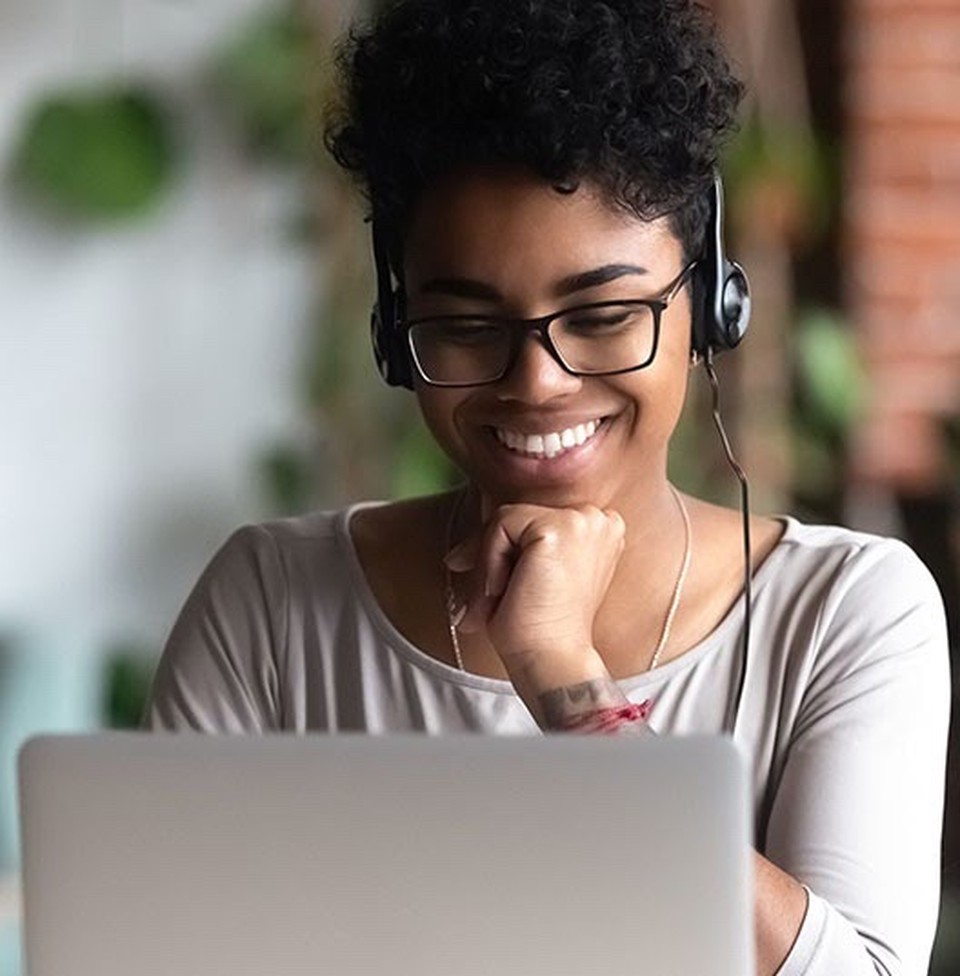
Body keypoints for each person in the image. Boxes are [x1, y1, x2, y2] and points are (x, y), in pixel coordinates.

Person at [142, 1, 950, 973]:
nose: (537, 382)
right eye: (468, 325)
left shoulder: (847, 611)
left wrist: (566, 679)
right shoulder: (269, 606)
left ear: (710, 305)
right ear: (397, 337)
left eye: (604, 313)